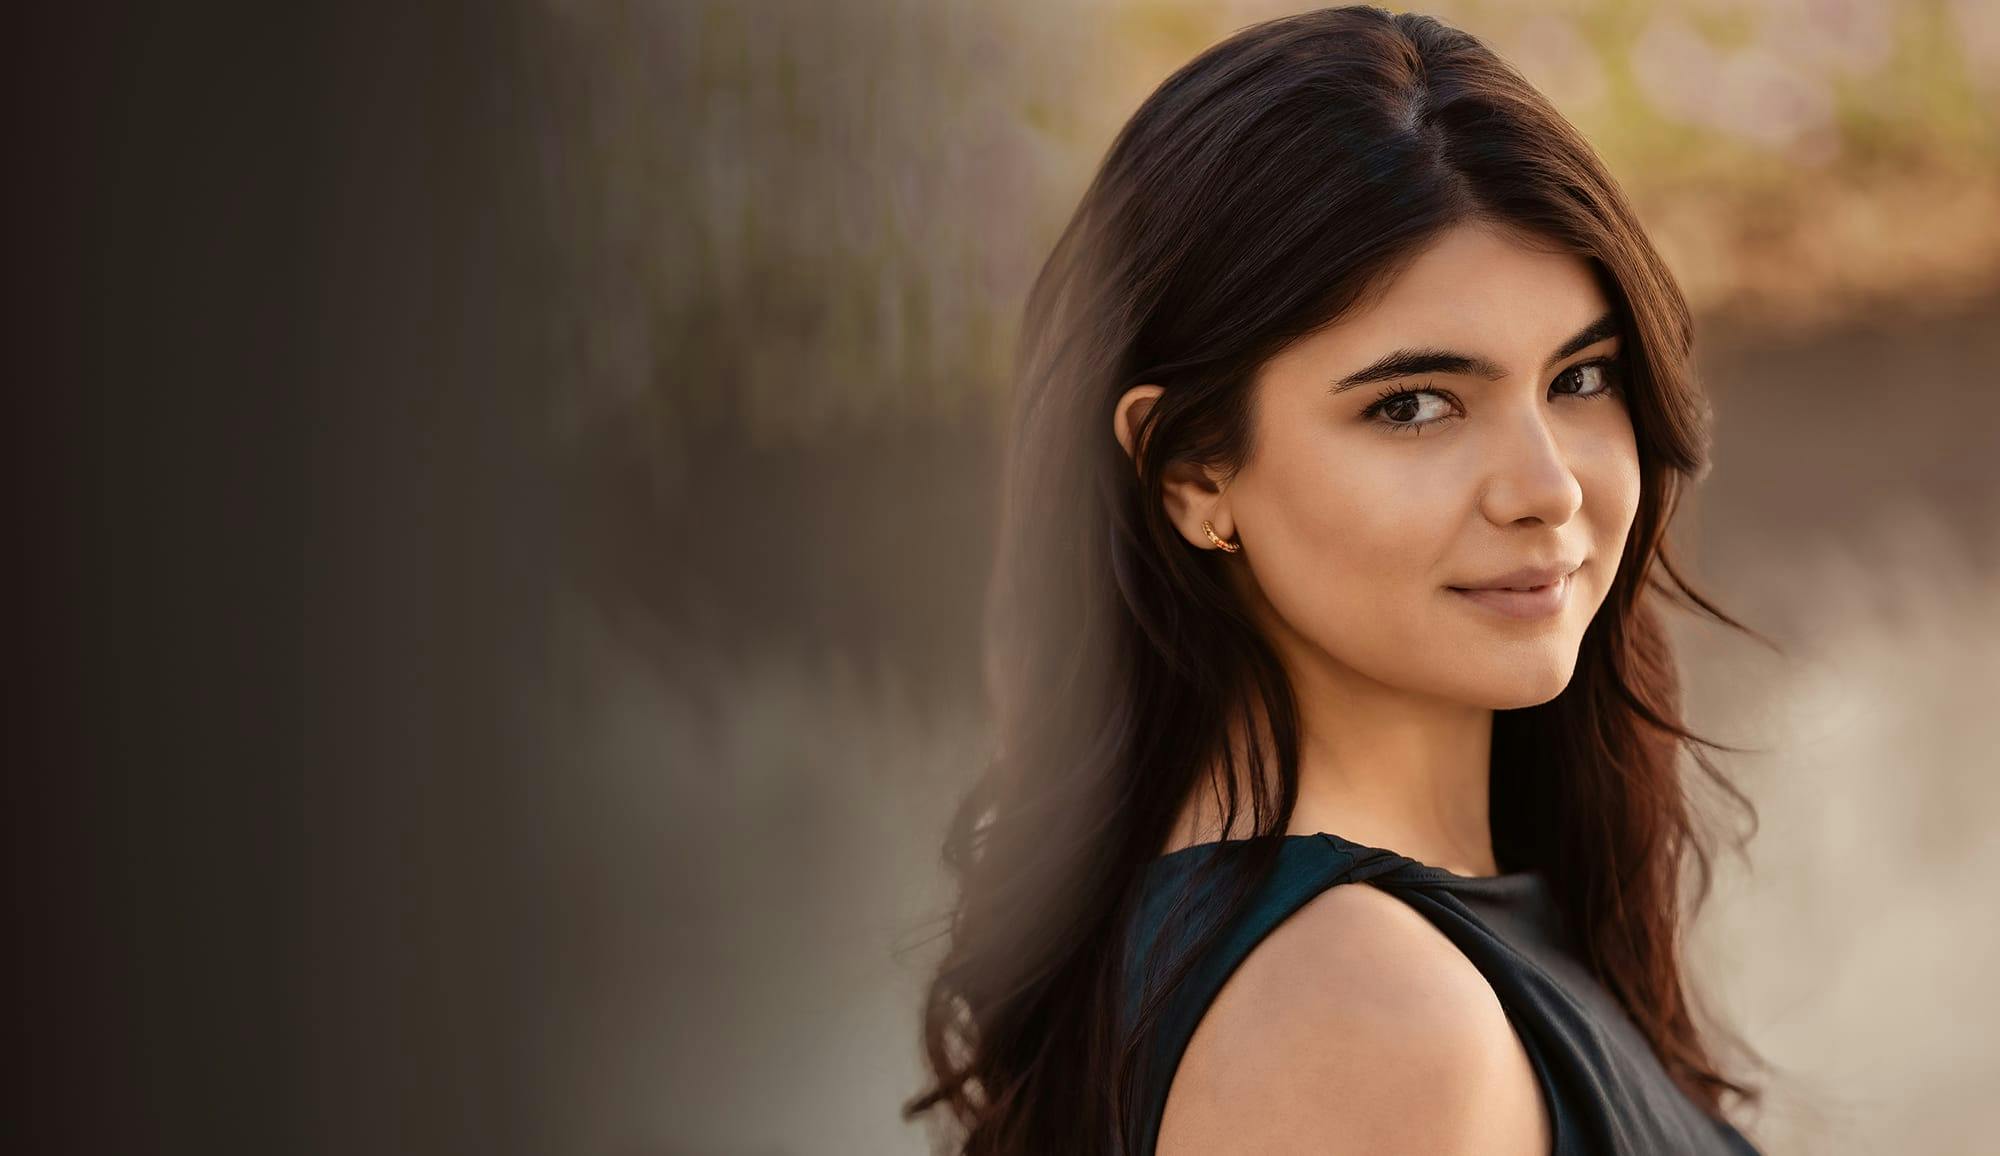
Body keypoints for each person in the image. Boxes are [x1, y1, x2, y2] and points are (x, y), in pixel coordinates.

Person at [905, 6, 1769, 1154]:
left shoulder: (1392, 939)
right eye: (1411, 405)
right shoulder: (1357, 1017)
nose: (1545, 487)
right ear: (1189, 472)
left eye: (1580, 376)